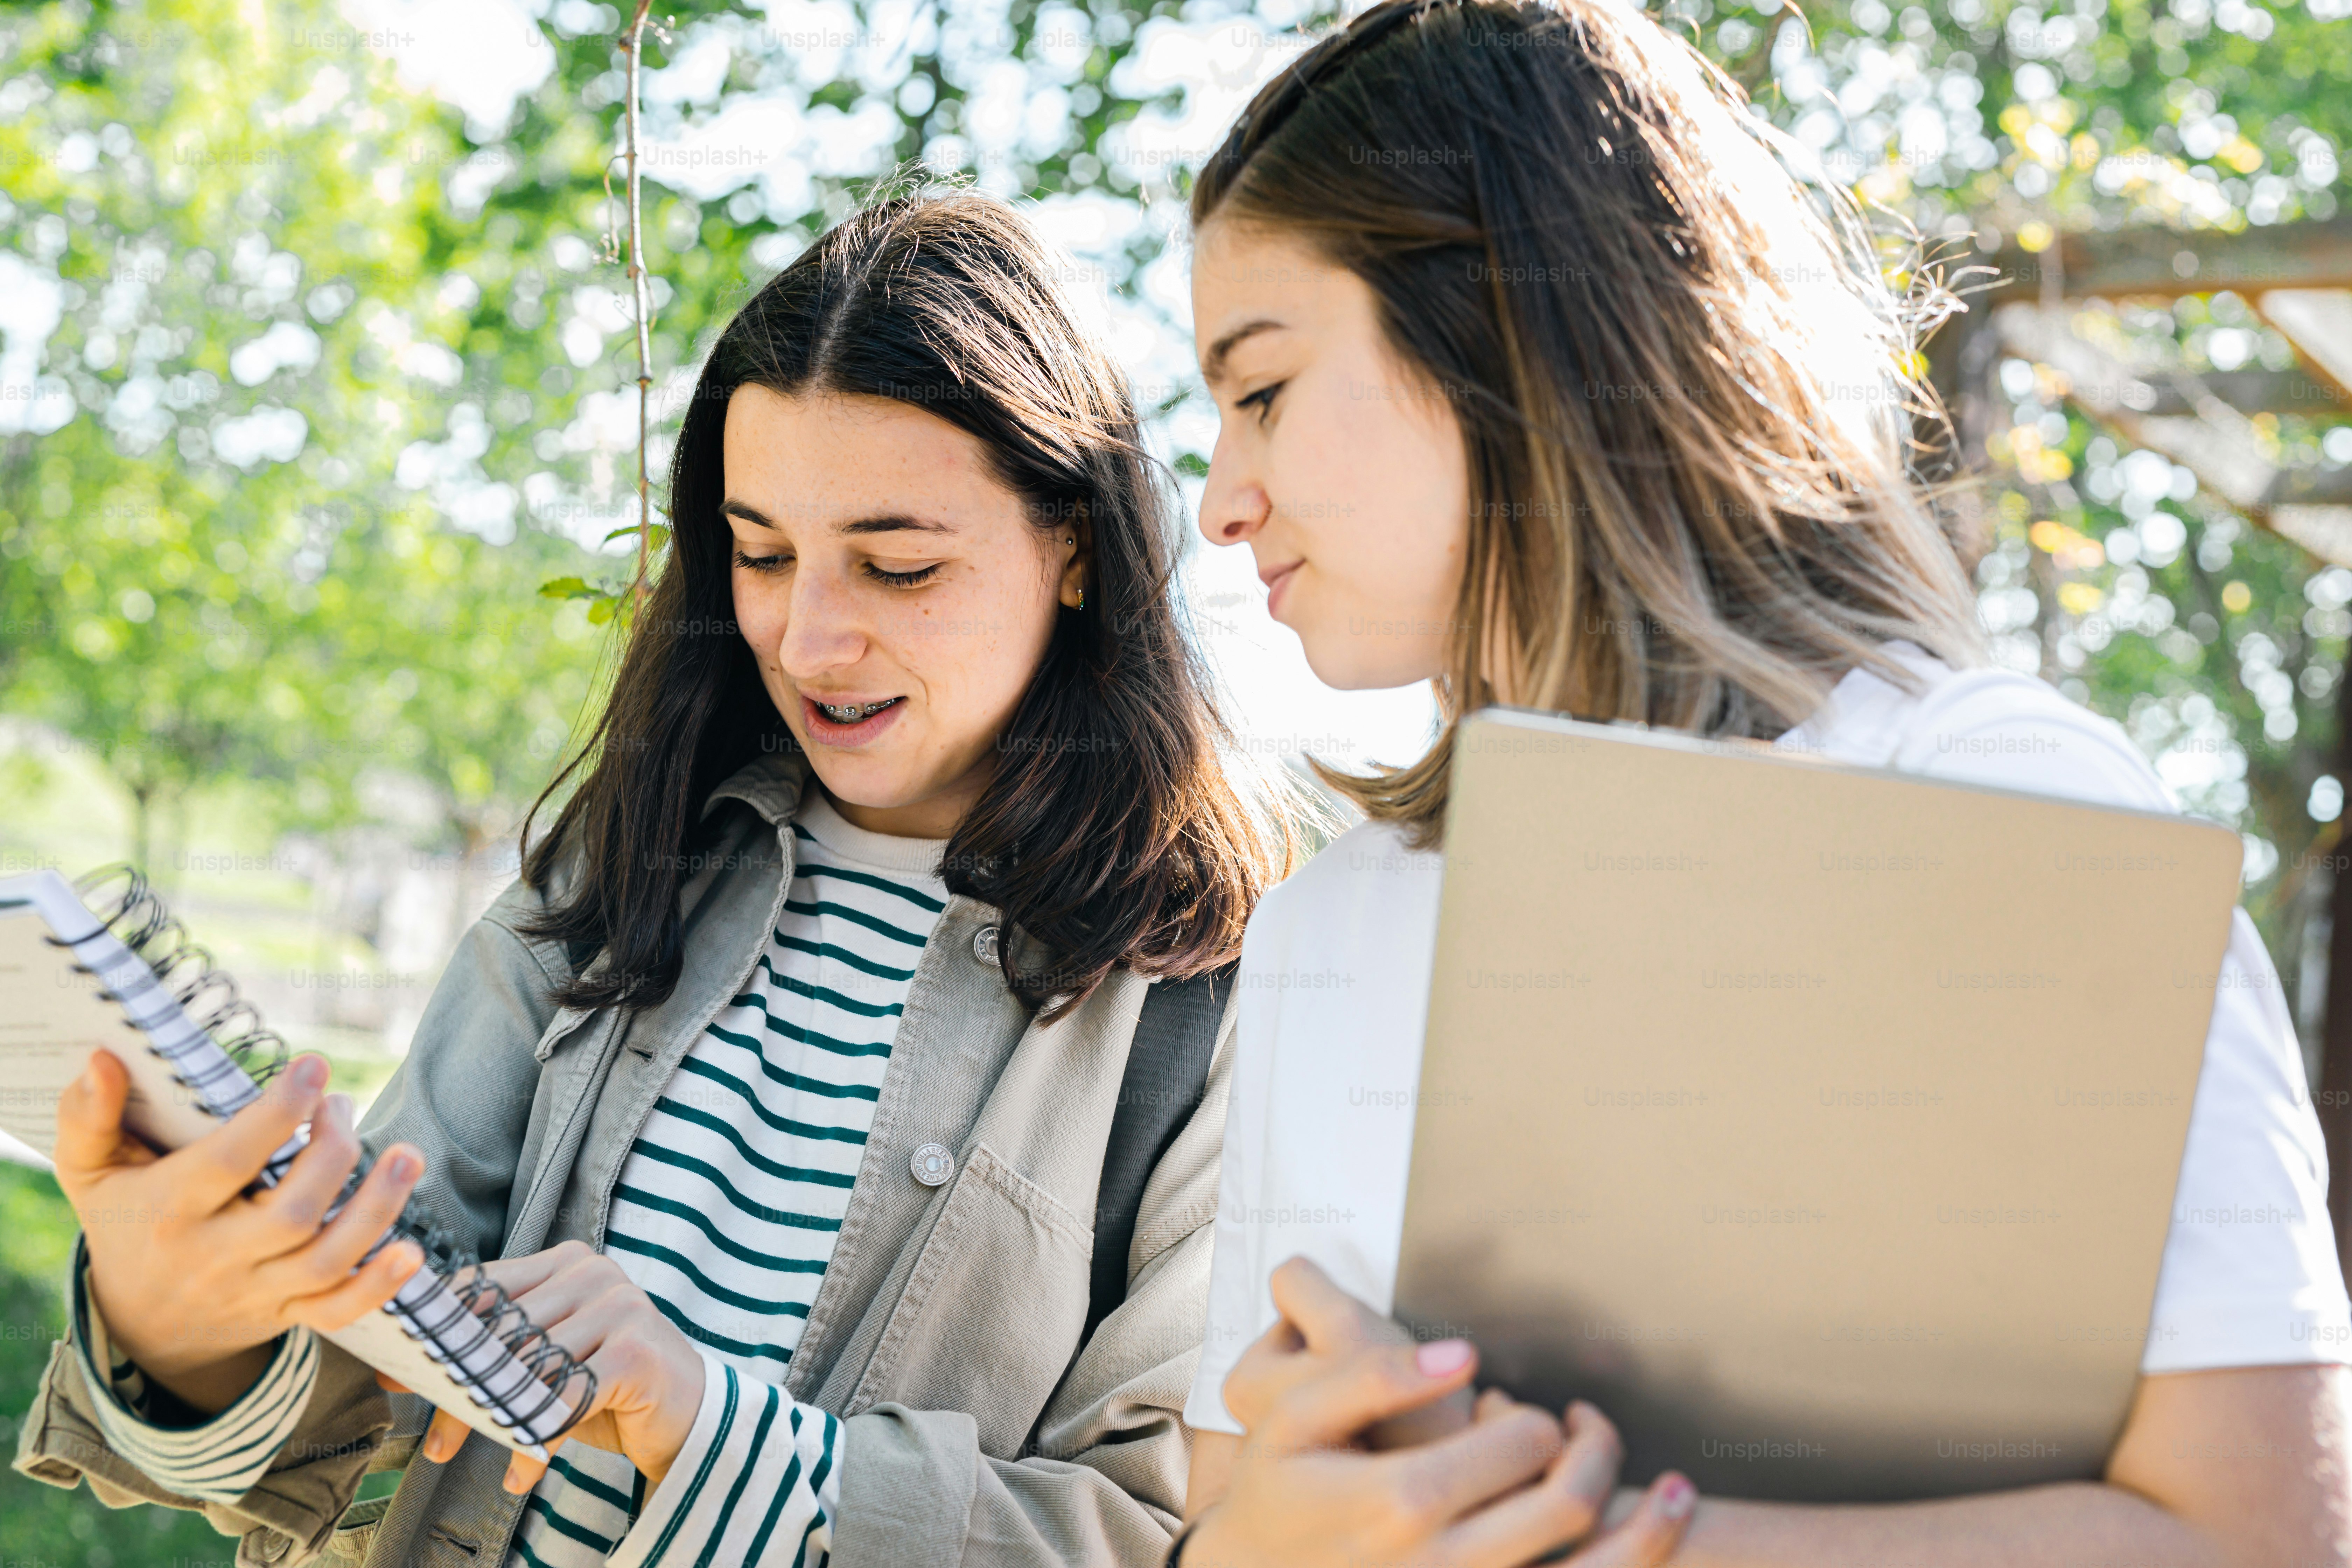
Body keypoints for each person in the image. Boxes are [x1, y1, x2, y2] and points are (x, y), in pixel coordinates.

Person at [1170, 2, 2352, 1565]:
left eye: (1260, 390)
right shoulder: (1320, 929)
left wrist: (1590, 1539)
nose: (1219, 503)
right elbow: (1221, 1496)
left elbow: (2268, 1530)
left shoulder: (2003, 802)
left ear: (1513, 338)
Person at [20, 187, 1309, 1568]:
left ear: (1075, 545)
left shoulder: (1227, 999)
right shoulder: (621, 860)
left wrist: (712, 1428)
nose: (809, 637)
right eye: (761, 552)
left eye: (896, 563)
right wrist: (181, 1324)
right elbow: (358, 1402)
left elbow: (1175, 1534)